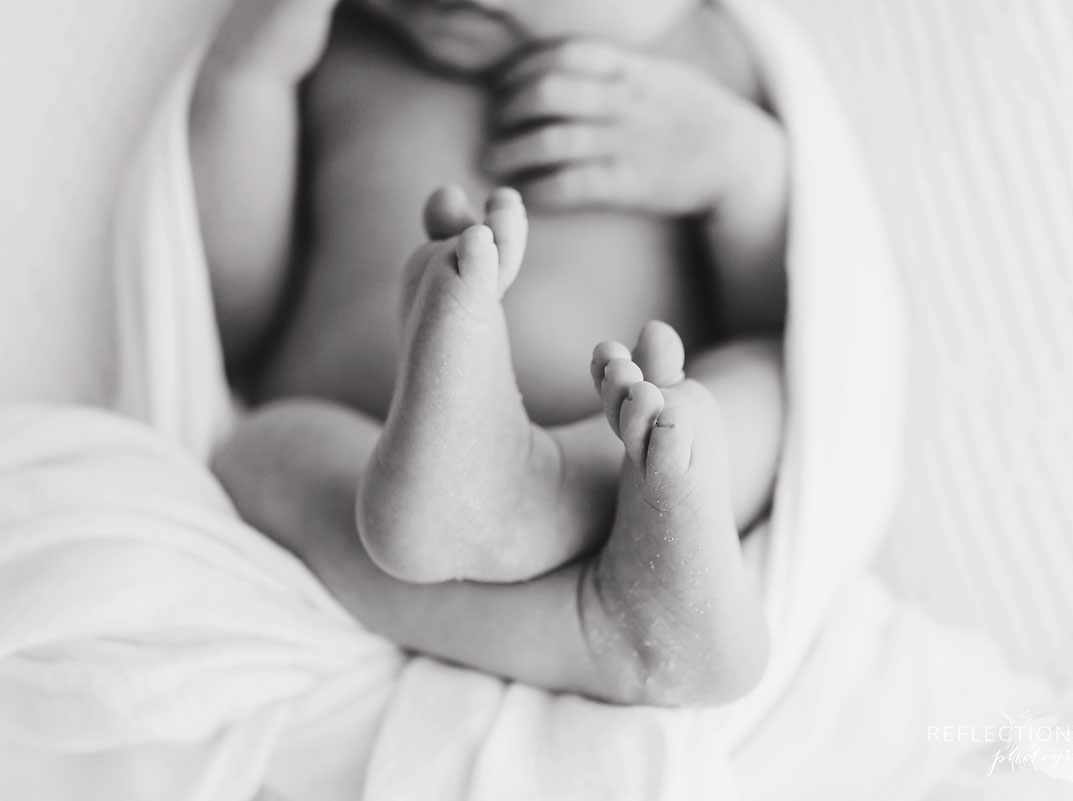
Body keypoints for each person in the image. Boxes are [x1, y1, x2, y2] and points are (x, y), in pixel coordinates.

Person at [195, 0, 790, 706]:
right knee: (260, 454)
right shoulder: (337, 44)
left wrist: (745, 170)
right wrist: (246, 79)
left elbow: (798, 308)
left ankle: (561, 498)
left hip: (627, 464)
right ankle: (600, 633)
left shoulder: (702, 55)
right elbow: (231, 317)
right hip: (373, 454)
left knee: (773, 388)